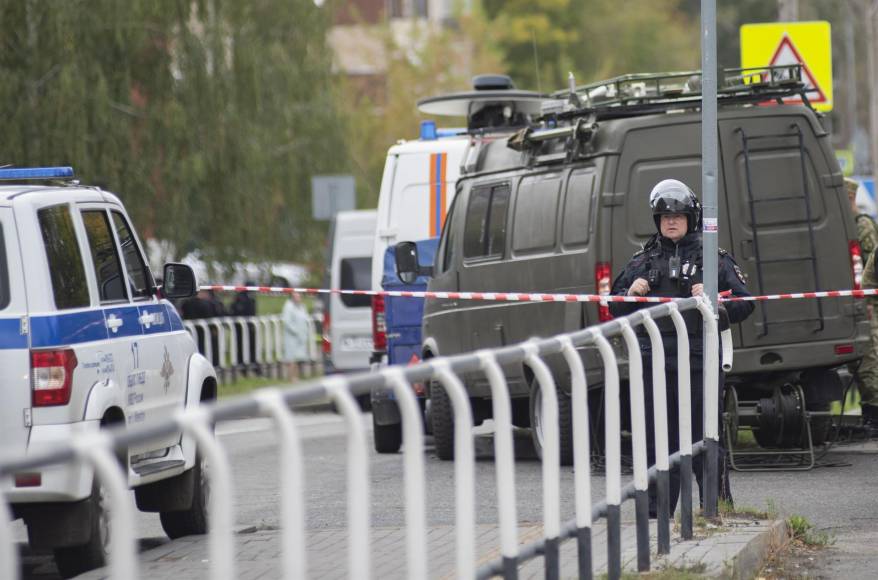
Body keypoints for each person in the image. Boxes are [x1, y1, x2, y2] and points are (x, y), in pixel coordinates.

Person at [609, 179, 755, 517]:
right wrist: (630, 293)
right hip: (655, 365)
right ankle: (655, 517)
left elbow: (746, 304)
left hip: (700, 363)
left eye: (677, 216)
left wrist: (717, 302)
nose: (670, 221)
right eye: (663, 217)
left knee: (706, 437)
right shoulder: (643, 261)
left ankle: (715, 510)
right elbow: (614, 306)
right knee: (658, 441)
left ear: (690, 218)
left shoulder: (712, 258)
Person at [850, 177, 878, 436]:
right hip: (866, 300)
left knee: (871, 358)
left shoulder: (863, 225)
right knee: (866, 358)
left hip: (871, 302)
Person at [282, 292, 311, 381]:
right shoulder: (288, 306)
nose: (298, 297)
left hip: (301, 337)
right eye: (296, 295)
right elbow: (287, 321)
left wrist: (304, 332)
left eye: (299, 295)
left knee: (299, 357)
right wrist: (296, 331)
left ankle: (297, 376)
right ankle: (291, 377)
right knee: (291, 358)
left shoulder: (302, 306)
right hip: (292, 337)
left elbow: (306, 319)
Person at [230, 282, 258, 372]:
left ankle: (253, 364)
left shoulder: (251, 298)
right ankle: (242, 365)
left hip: (250, 326)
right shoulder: (240, 298)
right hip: (241, 327)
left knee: (252, 346)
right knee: (241, 346)